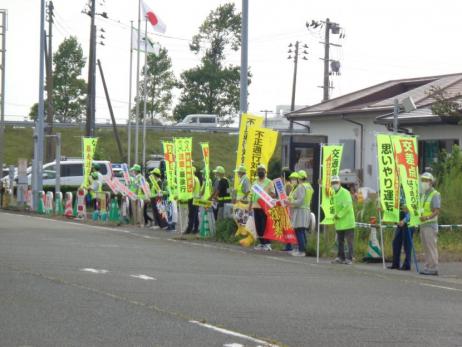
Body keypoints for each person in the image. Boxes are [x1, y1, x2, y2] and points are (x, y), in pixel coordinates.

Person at [419, 172, 441, 276]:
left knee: (431, 246)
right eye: (422, 180)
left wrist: (427, 217)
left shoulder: (435, 194)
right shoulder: (423, 194)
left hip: (430, 225)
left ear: (431, 182)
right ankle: (428, 266)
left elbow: (436, 211)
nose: (423, 182)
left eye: (425, 180)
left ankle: (433, 268)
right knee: (426, 247)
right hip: (423, 225)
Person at [331, 175, 356, 265]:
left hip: (348, 221)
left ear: (340, 183)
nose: (334, 184)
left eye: (336, 182)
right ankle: (341, 257)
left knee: (349, 241)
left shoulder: (345, 192)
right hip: (339, 222)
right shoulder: (334, 193)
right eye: (333, 183)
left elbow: (347, 206)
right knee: (340, 241)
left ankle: (350, 258)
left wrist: (339, 215)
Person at [251, 164, 276, 251]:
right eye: (259, 170)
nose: (260, 172)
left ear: (265, 172)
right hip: (255, 207)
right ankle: (262, 243)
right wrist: (250, 206)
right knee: (258, 226)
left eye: (262, 170)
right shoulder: (254, 182)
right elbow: (252, 195)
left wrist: (266, 197)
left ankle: (267, 243)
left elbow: (273, 194)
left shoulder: (269, 182)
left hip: (264, 207)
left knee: (264, 225)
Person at [388, 188, 414, 271]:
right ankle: (395, 263)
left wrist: (405, 220)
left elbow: (412, 209)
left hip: (409, 222)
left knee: (407, 244)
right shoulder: (397, 192)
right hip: (400, 221)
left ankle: (407, 264)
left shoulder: (409, 190)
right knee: (396, 242)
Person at [288, 172, 310, 257]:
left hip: (300, 210)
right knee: (302, 230)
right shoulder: (309, 186)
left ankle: (301, 250)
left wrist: (290, 202)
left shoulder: (301, 186)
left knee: (299, 230)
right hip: (306, 209)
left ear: (299, 178)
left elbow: (300, 201)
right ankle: (303, 249)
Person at [185, 167, 201, 234]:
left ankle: (189, 229)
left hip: (192, 198)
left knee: (191, 214)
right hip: (196, 198)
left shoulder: (192, 178)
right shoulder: (197, 178)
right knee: (195, 214)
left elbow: (192, 188)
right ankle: (196, 229)